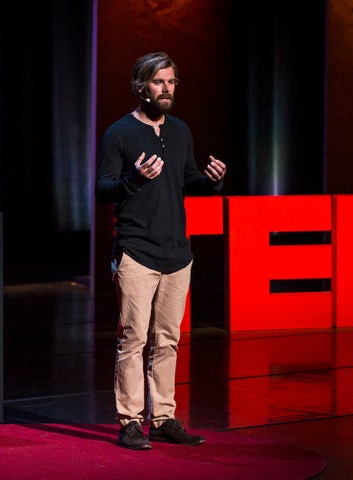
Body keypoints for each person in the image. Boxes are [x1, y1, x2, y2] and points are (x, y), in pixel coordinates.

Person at [95, 52, 227, 450]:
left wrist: (210, 180)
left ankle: (164, 417)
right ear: (141, 87)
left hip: (176, 251)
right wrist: (134, 179)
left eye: (171, 82)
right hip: (137, 250)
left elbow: (185, 179)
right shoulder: (118, 133)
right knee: (133, 338)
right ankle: (130, 420)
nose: (166, 89)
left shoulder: (181, 131)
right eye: (158, 82)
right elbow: (103, 189)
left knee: (167, 338)